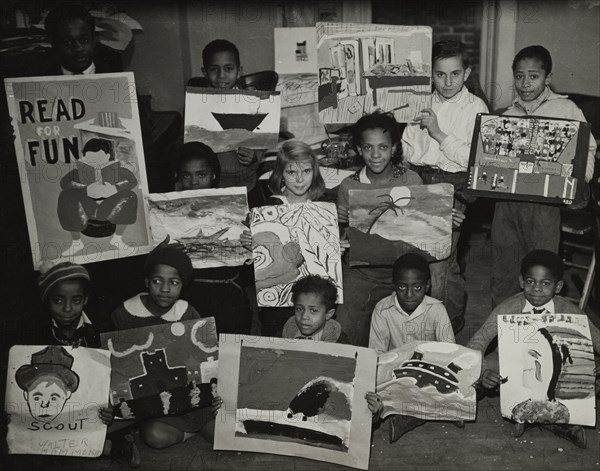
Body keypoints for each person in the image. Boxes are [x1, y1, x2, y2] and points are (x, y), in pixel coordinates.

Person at [490, 45, 597, 307]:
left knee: (542, 269)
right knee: (504, 270)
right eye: (518, 76)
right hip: (507, 204)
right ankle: (503, 330)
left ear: (547, 78)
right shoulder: (508, 114)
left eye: (533, 76)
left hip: (545, 205)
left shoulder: (566, 109)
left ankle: (540, 329)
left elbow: (589, 149)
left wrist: (577, 180)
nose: (525, 83)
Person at [467, 249, 600, 448]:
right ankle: (468, 399)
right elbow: (478, 342)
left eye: (545, 283)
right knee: (484, 363)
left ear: (558, 286)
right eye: (530, 281)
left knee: (591, 376)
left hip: (555, 370)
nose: (536, 289)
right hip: (517, 367)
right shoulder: (509, 307)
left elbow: (597, 339)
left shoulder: (569, 310)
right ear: (521, 282)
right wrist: (482, 372)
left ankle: (544, 419)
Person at [402, 40, 487, 332]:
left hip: (454, 184)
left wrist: (438, 132)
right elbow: (409, 147)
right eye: (440, 74)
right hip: (418, 177)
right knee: (418, 253)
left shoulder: (476, 107)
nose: (447, 82)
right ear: (432, 75)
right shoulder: (420, 100)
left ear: (466, 73)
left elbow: (473, 158)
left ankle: (445, 327)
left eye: (454, 74)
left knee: (439, 262)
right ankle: (434, 319)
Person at [111, 245, 222, 449]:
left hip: (192, 400)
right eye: (157, 281)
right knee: (156, 437)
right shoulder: (124, 314)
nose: (164, 289)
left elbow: (204, 357)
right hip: (155, 405)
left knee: (220, 434)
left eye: (174, 282)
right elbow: (120, 366)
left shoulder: (188, 313)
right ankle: (188, 433)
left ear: (183, 285)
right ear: (146, 281)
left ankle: (194, 428)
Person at [35, 261, 140, 467]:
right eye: (57, 300)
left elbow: (119, 373)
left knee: (132, 408)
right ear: (46, 300)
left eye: (76, 301)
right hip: (59, 407)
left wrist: (110, 404)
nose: (67, 309)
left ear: (85, 300)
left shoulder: (102, 326)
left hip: (97, 406)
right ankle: (107, 447)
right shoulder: (35, 333)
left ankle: (105, 441)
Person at [335, 111, 422, 346]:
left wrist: (445, 219)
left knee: (407, 345)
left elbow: (422, 229)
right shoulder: (348, 186)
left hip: (404, 272)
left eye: (383, 147)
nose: (375, 155)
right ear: (358, 149)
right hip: (361, 274)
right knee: (345, 334)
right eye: (368, 148)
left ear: (394, 148)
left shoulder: (411, 180)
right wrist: (340, 221)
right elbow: (344, 240)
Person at [240, 139, 328, 336]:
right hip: (279, 300)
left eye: (306, 171)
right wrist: (251, 246)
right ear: (280, 174)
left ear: (315, 172)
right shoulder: (269, 208)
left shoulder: (322, 207)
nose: (299, 179)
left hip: (314, 298)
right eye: (292, 172)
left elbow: (325, 257)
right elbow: (260, 262)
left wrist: (335, 249)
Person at [366, 253, 455, 442]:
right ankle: (440, 411)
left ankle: (409, 417)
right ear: (394, 285)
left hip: (428, 373)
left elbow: (449, 352)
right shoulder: (382, 310)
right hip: (395, 374)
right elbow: (377, 354)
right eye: (402, 287)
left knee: (467, 378)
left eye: (417, 287)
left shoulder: (437, 309)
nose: (409, 294)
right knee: (371, 393)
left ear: (427, 286)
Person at [172, 142, 253, 335]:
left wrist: (250, 246)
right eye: (186, 175)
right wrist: (169, 256)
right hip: (187, 298)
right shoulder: (167, 213)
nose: (194, 183)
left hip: (228, 297)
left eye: (201, 175)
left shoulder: (233, 208)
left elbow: (248, 273)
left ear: (214, 175)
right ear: (178, 178)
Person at [201, 39, 263, 207]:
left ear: (239, 71)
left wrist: (254, 157)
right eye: (214, 69)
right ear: (205, 73)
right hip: (212, 188)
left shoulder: (253, 103)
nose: (221, 75)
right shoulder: (197, 105)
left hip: (247, 185)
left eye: (228, 69)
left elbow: (263, 144)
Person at [58, 138, 138, 256]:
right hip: (86, 211)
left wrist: (114, 188)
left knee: (131, 195)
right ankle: (76, 243)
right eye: (91, 159)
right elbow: (64, 183)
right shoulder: (77, 173)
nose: (95, 163)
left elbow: (132, 181)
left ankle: (117, 239)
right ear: (84, 158)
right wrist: (85, 189)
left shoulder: (119, 171)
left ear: (107, 156)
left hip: (109, 211)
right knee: (66, 194)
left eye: (99, 159)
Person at [42, 2, 122, 75]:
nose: (78, 48)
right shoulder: (40, 75)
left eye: (84, 40)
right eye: (67, 42)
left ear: (94, 40)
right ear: (54, 44)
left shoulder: (116, 71)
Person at [280, 275, 349, 343]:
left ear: (328, 314)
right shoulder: (282, 335)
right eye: (299, 309)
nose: (304, 316)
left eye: (313, 310)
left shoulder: (341, 343)